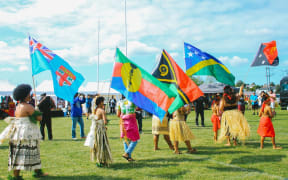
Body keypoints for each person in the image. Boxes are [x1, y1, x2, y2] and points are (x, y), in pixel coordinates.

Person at [0, 84, 47, 179]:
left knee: (19, 153)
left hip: (19, 132)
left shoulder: (19, 106)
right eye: (29, 94)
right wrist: (37, 110)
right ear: (25, 95)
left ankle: (18, 175)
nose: (30, 95)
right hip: (26, 133)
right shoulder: (27, 106)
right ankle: (36, 172)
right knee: (30, 152)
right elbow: (39, 118)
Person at [84, 96, 112, 167]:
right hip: (100, 131)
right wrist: (105, 121)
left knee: (98, 145)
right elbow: (105, 121)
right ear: (101, 102)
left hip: (96, 130)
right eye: (103, 101)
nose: (104, 102)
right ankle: (101, 160)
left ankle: (99, 160)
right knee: (102, 145)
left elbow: (96, 119)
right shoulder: (102, 111)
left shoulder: (95, 109)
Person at [117, 96, 140, 162]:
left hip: (123, 121)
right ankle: (127, 153)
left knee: (126, 139)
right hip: (131, 120)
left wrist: (124, 114)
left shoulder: (119, 102)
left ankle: (129, 157)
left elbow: (118, 114)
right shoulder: (133, 101)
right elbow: (139, 108)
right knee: (135, 139)